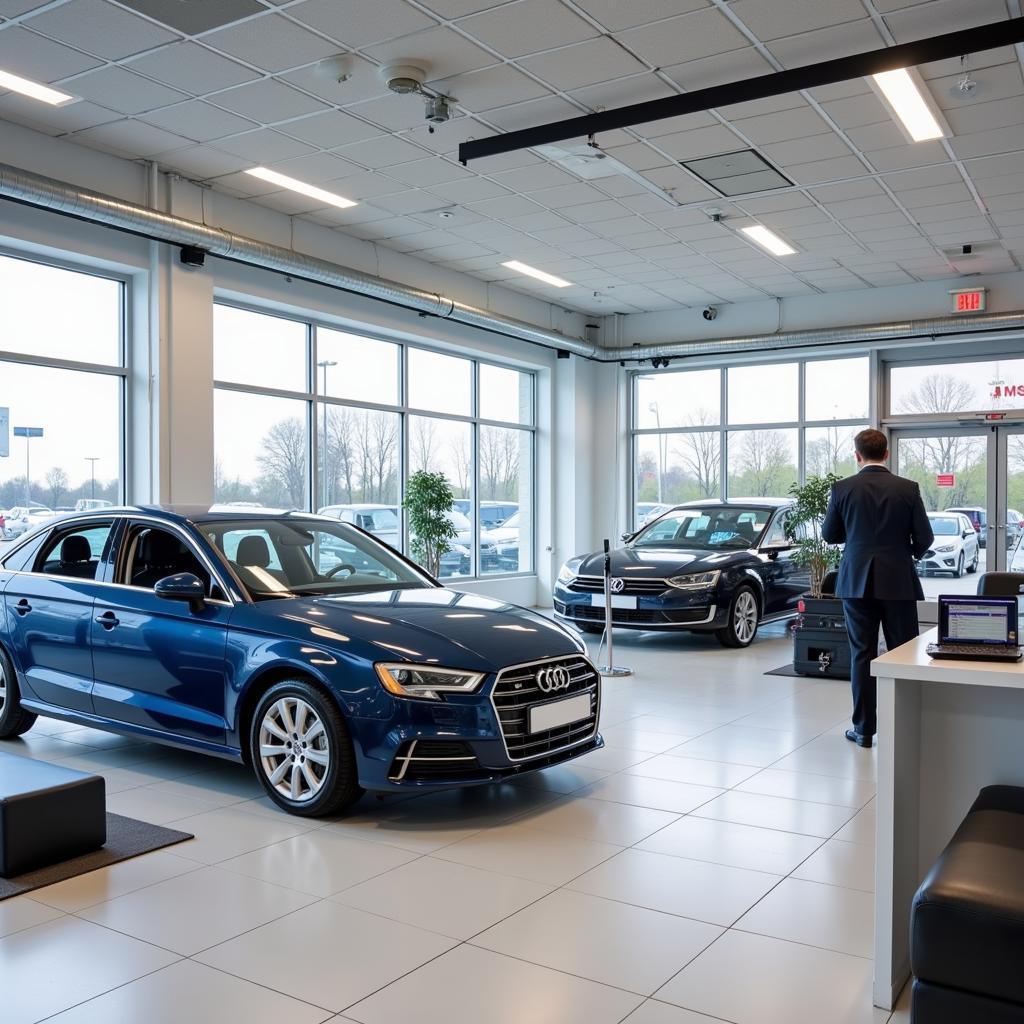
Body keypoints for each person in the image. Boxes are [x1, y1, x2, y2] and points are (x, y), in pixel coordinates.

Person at [821, 428, 933, 748]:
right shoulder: (907, 489)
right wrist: (902, 554)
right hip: (898, 581)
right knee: (904, 654)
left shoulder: (842, 489)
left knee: (862, 654)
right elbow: (924, 538)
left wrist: (857, 539)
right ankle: (906, 727)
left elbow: (830, 535)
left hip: (856, 582)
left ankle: (864, 730)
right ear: (886, 454)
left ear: (857, 456)